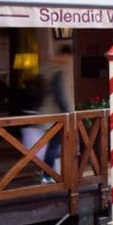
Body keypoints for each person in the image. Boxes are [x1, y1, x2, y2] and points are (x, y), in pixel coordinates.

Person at [41, 45, 74, 179]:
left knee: (49, 146)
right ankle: (47, 175)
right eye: (68, 58)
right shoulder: (57, 70)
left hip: (43, 113)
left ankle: (48, 174)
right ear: (65, 55)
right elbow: (60, 94)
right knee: (53, 146)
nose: (68, 61)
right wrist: (68, 114)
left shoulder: (45, 67)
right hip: (55, 114)